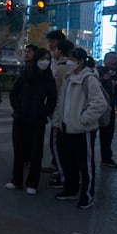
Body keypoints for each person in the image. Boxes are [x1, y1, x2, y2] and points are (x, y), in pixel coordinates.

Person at [52, 48, 108, 208]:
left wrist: (83, 120)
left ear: (81, 60)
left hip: (82, 130)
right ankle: (70, 190)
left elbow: (100, 103)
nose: (69, 62)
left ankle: (87, 196)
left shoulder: (89, 78)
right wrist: (58, 120)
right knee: (68, 161)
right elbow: (61, 101)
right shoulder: (69, 77)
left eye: (71, 58)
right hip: (65, 128)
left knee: (85, 165)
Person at [6, 48, 57, 195]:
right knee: (19, 151)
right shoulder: (25, 74)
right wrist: (17, 108)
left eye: (48, 59)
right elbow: (14, 93)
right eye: (42, 58)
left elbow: (52, 100)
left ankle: (32, 183)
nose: (45, 62)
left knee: (36, 153)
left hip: (38, 121)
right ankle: (16, 180)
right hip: (20, 118)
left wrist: (44, 113)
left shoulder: (49, 79)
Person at [48, 38, 76, 189]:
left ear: (59, 50)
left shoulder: (60, 68)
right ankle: (71, 175)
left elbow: (56, 93)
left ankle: (63, 176)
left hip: (61, 113)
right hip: (75, 113)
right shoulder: (77, 66)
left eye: (55, 48)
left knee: (58, 146)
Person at [97, 51, 117, 168]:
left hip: (110, 108)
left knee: (107, 134)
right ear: (105, 60)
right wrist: (103, 79)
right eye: (112, 58)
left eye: (116, 58)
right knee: (91, 134)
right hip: (95, 107)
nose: (114, 61)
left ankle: (106, 158)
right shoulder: (98, 71)